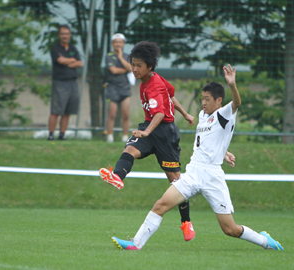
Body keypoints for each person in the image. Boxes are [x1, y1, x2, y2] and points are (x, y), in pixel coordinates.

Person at [111, 64, 284, 251]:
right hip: (193, 172)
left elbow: (236, 103)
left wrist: (232, 85)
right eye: (202, 99)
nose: (203, 103)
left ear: (219, 100)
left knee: (230, 229)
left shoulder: (224, 114)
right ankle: (135, 244)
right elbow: (208, 139)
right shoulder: (203, 115)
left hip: (212, 176)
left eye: (207, 99)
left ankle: (265, 241)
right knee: (161, 205)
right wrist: (224, 151)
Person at [99, 41, 197, 241]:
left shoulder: (152, 85)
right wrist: (185, 113)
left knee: (176, 183)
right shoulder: (152, 78)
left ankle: (186, 223)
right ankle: (117, 176)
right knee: (129, 151)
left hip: (165, 134)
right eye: (133, 64)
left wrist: (148, 131)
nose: (134, 69)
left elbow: (160, 113)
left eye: (139, 65)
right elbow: (171, 96)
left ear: (150, 67)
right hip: (149, 126)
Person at [47, 25, 82, 141]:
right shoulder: (55, 48)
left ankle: (62, 135)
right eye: (62, 34)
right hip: (60, 82)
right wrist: (72, 61)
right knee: (56, 110)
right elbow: (59, 60)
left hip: (72, 82)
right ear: (59, 35)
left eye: (67, 33)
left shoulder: (73, 49)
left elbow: (80, 63)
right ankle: (51, 135)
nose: (64, 36)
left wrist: (67, 62)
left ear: (70, 35)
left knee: (68, 111)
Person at [104, 33, 132, 143]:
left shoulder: (126, 56)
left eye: (120, 42)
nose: (118, 44)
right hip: (112, 88)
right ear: (112, 44)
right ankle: (110, 136)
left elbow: (131, 68)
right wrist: (126, 69)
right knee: (112, 114)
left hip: (124, 88)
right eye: (116, 42)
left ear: (123, 43)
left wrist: (120, 57)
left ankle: (125, 137)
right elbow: (113, 70)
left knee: (125, 114)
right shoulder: (108, 56)